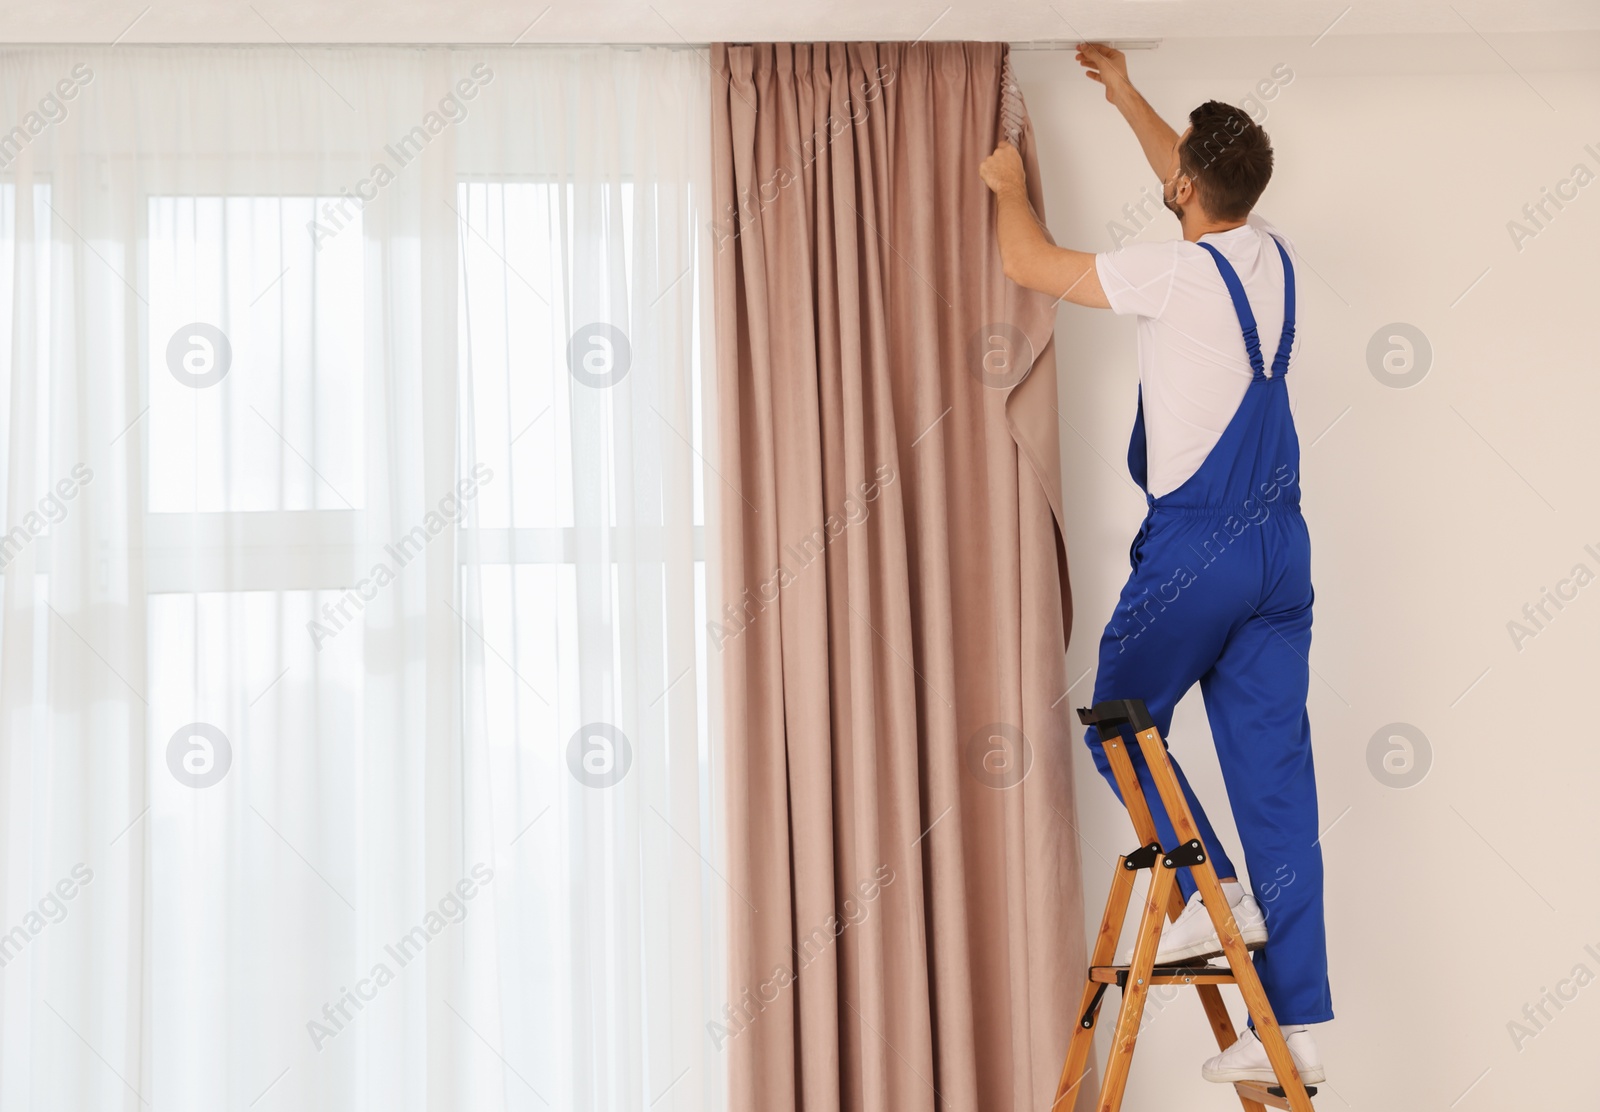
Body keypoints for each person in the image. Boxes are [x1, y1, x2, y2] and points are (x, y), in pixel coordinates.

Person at [977, 43, 1332, 1085]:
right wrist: (1129, 95)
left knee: (1122, 718)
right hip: (1281, 549)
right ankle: (1294, 1033)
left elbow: (1028, 266)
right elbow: (1188, 176)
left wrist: (1007, 189)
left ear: (1183, 187)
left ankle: (1201, 898)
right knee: (1276, 780)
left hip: (1200, 547)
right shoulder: (1272, 258)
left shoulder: (1172, 271)